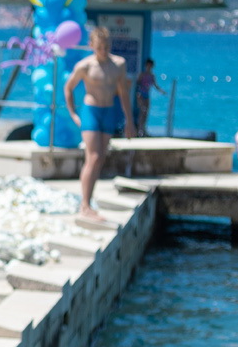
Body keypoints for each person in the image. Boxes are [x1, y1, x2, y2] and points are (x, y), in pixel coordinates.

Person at [63, 25, 134, 222]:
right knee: (93, 157)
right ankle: (84, 205)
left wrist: (129, 121)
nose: (103, 50)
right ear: (91, 45)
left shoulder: (119, 64)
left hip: (109, 111)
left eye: (107, 46)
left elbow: (123, 93)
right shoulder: (85, 66)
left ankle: (88, 202)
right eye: (100, 47)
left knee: (100, 158)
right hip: (90, 112)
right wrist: (74, 114)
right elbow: (68, 88)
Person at [134, 58, 165, 137]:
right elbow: (137, 85)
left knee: (146, 113)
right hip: (141, 95)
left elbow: (155, 85)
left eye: (151, 65)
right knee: (142, 112)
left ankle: (143, 129)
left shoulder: (152, 75)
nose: (149, 67)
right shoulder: (142, 74)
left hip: (146, 95)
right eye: (148, 65)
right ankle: (139, 130)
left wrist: (161, 91)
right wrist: (138, 96)